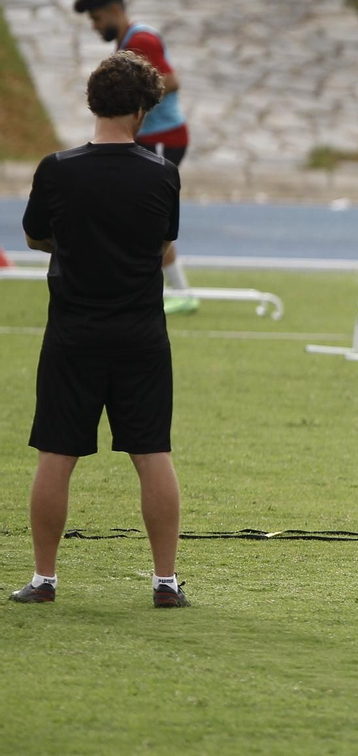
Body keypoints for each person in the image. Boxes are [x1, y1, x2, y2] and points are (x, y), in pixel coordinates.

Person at [11, 52, 188, 608]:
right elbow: (164, 253)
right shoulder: (163, 174)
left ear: (93, 102)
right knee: (151, 453)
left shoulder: (57, 169)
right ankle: (164, 582)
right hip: (140, 336)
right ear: (141, 108)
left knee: (56, 455)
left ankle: (44, 580)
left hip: (73, 334)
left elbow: (35, 238)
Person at [73, 0, 198, 316]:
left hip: (163, 137)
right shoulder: (129, 40)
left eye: (98, 18)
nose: (96, 26)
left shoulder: (140, 41)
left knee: (150, 216)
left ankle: (182, 292)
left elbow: (170, 81)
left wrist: (132, 98)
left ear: (116, 10)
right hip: (148, 136)